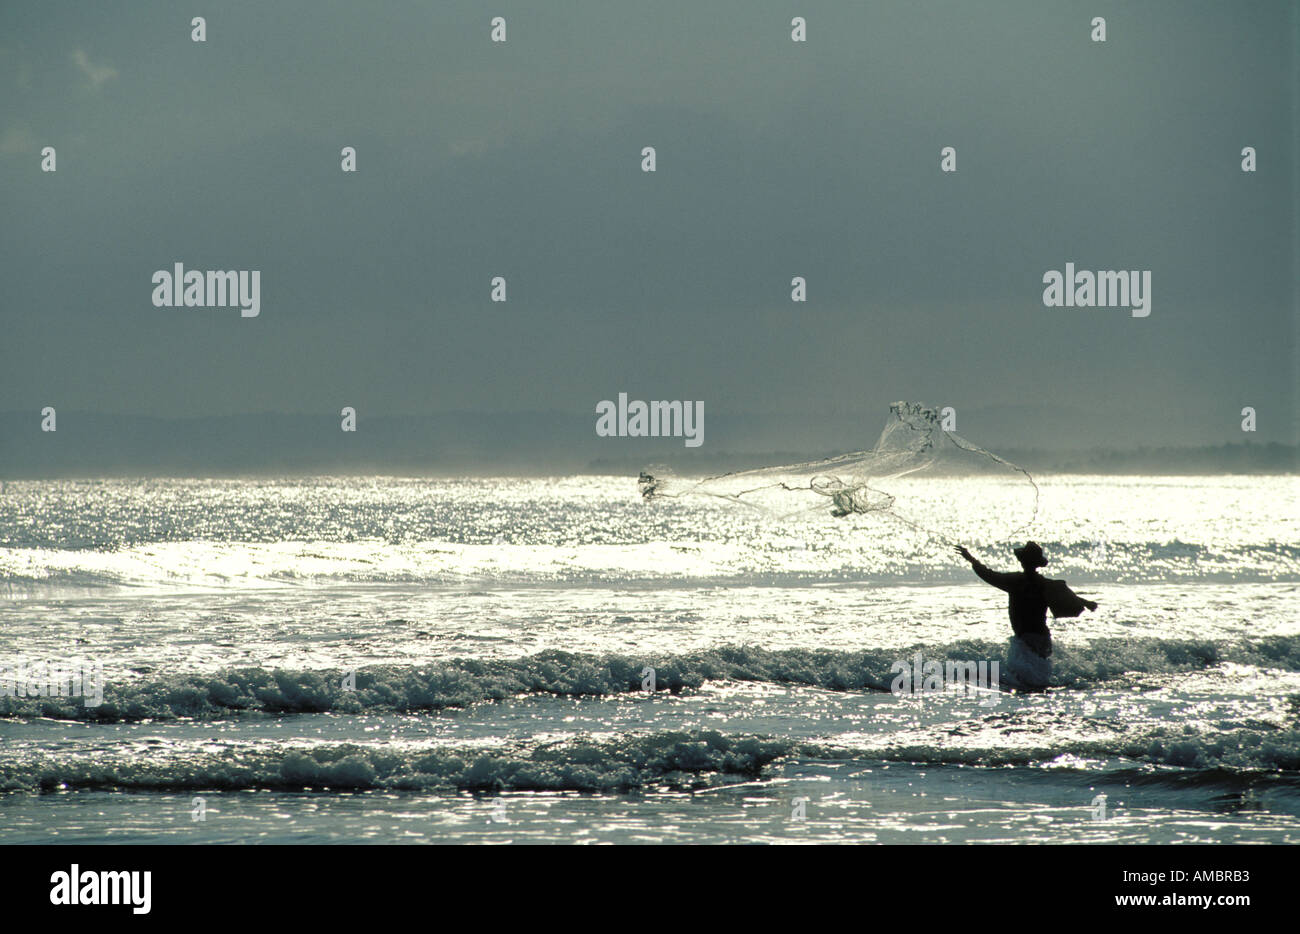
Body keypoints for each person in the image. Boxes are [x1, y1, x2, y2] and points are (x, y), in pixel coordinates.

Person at [954, 541, 1097, 690]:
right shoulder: (1044, 584)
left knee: (1023, 680)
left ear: (1022, 562)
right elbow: (1064, 596)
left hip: (1025, 638)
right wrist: (1086, 602)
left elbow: (988, 574)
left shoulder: (1015, 581)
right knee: (1040, 676)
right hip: (1043, 638)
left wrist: (970, 558)